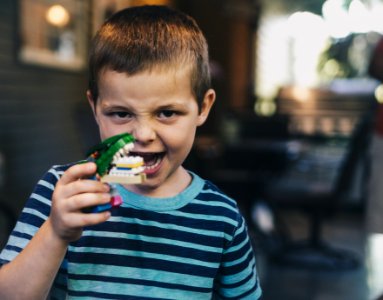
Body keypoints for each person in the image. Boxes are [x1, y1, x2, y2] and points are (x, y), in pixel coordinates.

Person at [0, 5, 262, 299]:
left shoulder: (222, 217)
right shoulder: (61, 192)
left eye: (166, 112)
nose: (143, 135)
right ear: (95, 108)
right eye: (121, 114)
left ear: (202, 107)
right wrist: (56, 232)